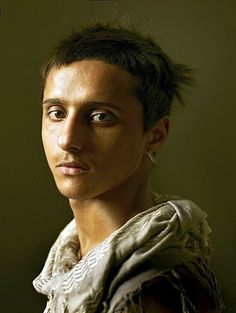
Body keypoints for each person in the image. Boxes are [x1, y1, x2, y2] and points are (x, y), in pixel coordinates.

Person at [33, 22, 224, 313]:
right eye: (57, 113)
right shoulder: (74, 263)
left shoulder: (153, 288)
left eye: (100, 117)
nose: (68, 140)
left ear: (155, 134)